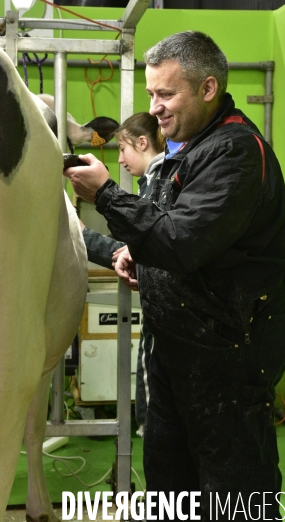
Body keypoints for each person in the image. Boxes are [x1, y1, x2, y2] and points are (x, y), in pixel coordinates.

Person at [64, 30, 285, 521]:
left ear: (208, 89)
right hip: (178, 356)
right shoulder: (186, 152)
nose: (156, 107)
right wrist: (137, 256)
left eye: (166, 94)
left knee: (234, 493)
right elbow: (168, 236)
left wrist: (106, 194)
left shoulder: (234, 151)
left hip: (229, 360)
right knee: (172, 490)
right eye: (151, 94)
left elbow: (182, 241)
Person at [80, 112, 165, 437]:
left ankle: (149, 433)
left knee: (152, 380)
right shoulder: (157, 181)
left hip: (163, 310)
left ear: (142, 142)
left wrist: (82, 237)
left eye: (122, 148)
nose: (119, 159)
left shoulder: (158, 182)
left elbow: (144, 247)